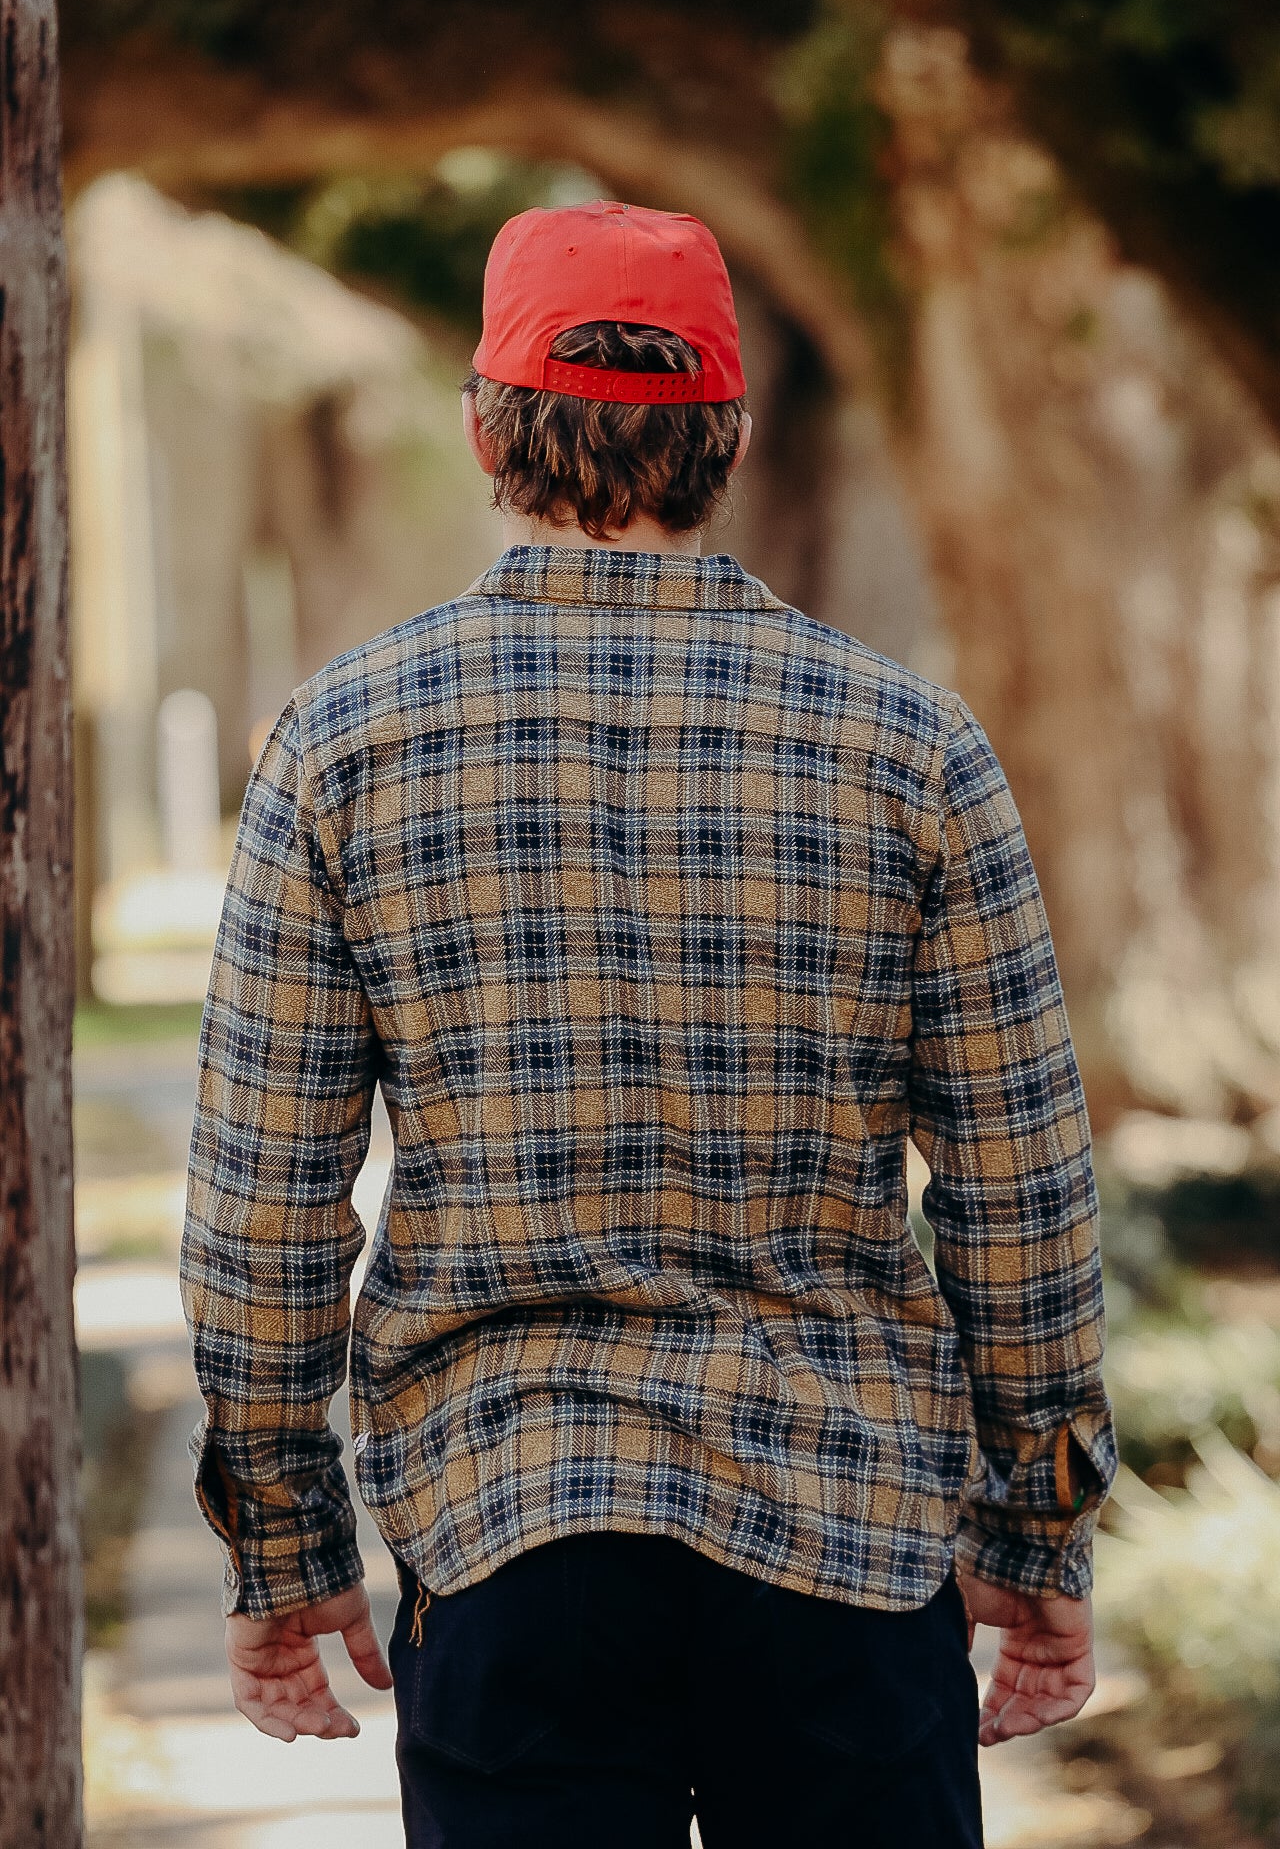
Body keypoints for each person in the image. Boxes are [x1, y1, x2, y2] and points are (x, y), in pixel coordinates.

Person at [181, 198, 1117, 1848]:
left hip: (509, 1531)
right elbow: (1021, 1185)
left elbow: (265, 1202)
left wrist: (284, 1547)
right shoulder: (913, 750)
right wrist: (1034, 1539)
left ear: (485, 426)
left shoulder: (340, 749)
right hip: (843, 1543)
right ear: (732, 434)